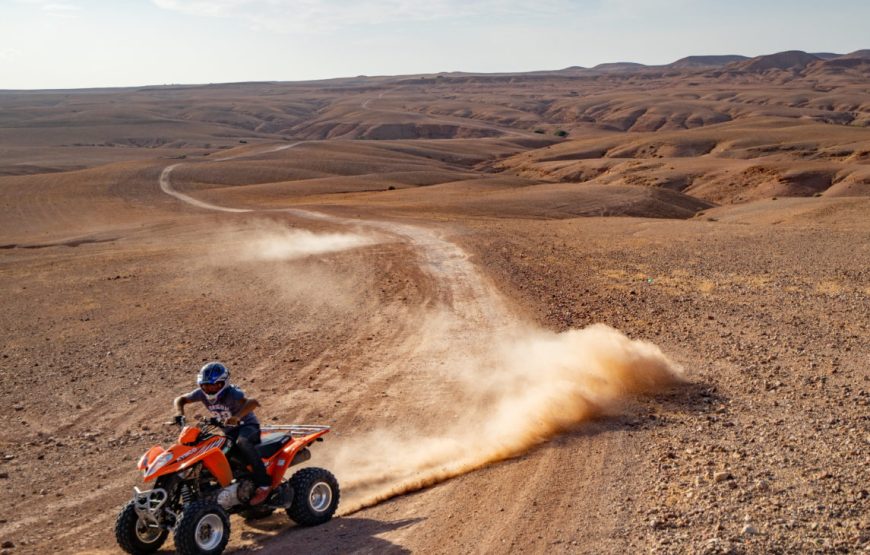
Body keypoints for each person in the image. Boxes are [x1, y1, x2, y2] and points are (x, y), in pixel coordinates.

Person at [173, 361, 272, 505]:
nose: (209, 388)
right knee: (213, 450)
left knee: (242, 443)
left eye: (214, 385)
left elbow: (253, 402)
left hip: (248, 427)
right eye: (206, 385)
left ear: (223, 383)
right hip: (229, 432)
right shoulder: (201, 394)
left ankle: (264, 484)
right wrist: (179, 413)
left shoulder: (232, 393)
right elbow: (180, 399)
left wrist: (237, 417)